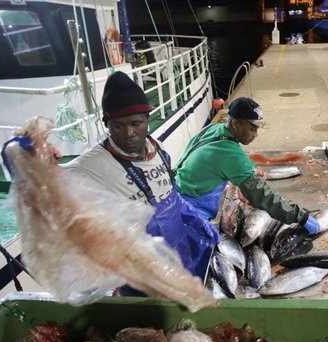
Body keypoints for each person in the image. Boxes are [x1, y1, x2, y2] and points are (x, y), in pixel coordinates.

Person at [64, 71, 218, 289]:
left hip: (179, 255)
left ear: (148, 118)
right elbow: (44, 186)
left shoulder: (159, 149)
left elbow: (169, 194)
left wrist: (193, 217)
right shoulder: (90, 165)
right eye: (118, 125)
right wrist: (21, 158)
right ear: (106, 123)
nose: (129, 133)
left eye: (135, 123)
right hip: (139, 274)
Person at [174, 97, 320, 234]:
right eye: (252, 128)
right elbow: (262, 195)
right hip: (188, 212)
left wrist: (246, 170)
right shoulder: (230, 154)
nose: (255, 135)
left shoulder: (213, 129)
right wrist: (300, 217)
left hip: (174, 194)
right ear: (236, 123)